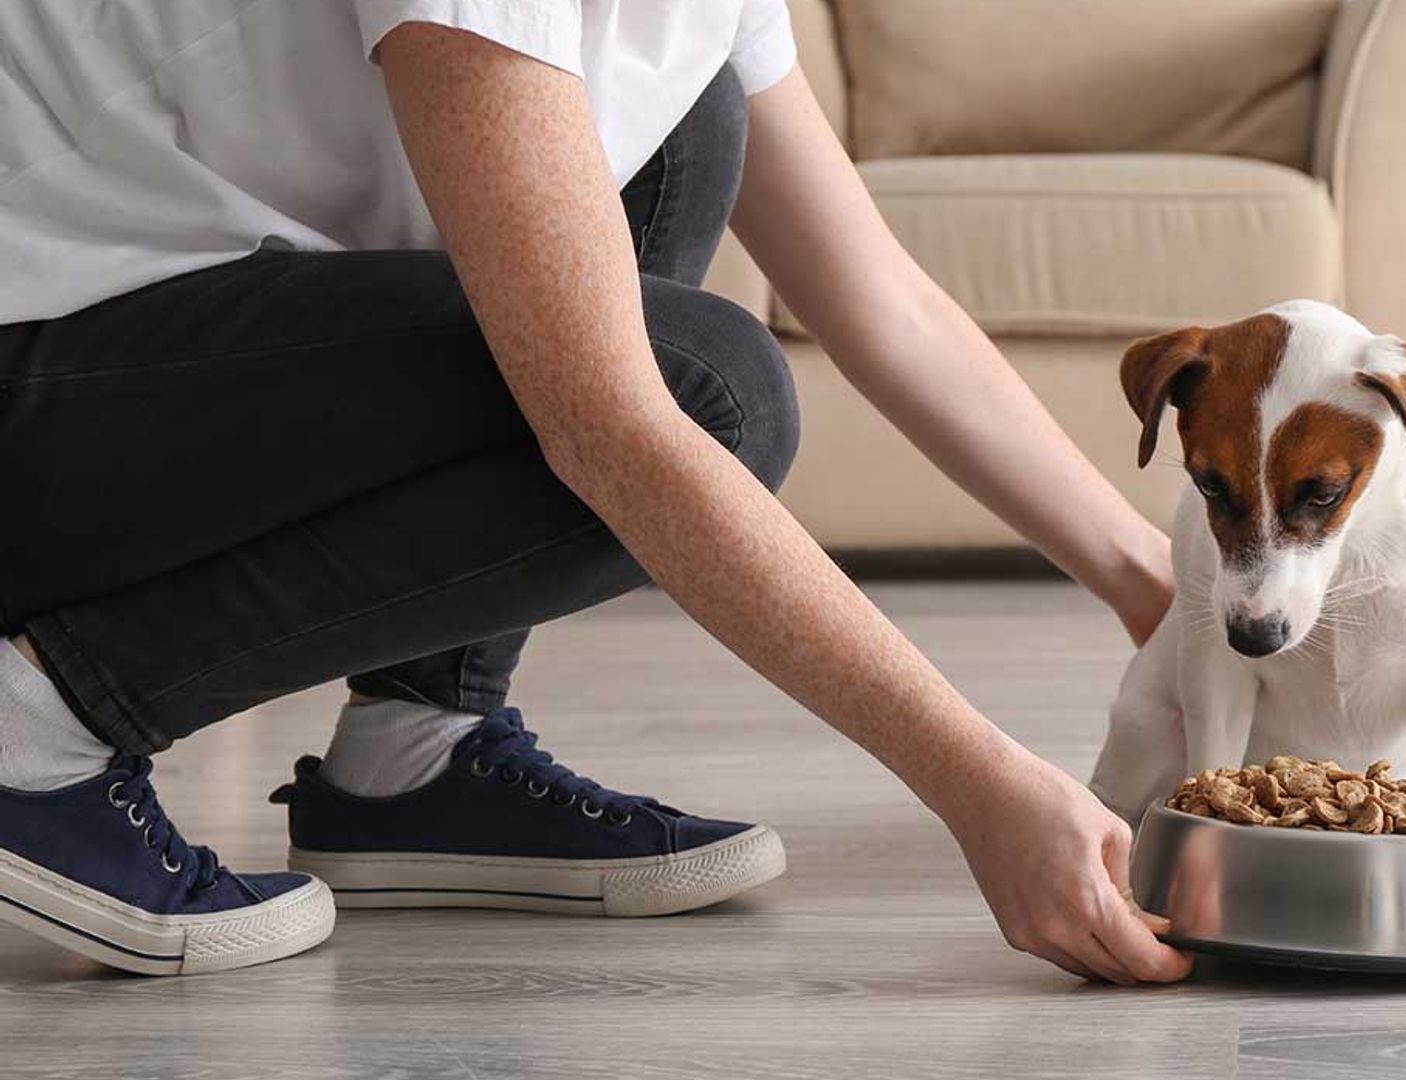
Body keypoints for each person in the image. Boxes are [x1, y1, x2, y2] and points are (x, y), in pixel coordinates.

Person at [0, 1, 1192, 983]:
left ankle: (418, 748)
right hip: (36, 372)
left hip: (143, 341)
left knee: (690, 119)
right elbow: (610, 429)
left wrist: (1156, 588)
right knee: (712, 397)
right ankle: (36, 731)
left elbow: (880, 300)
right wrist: (981, 788)